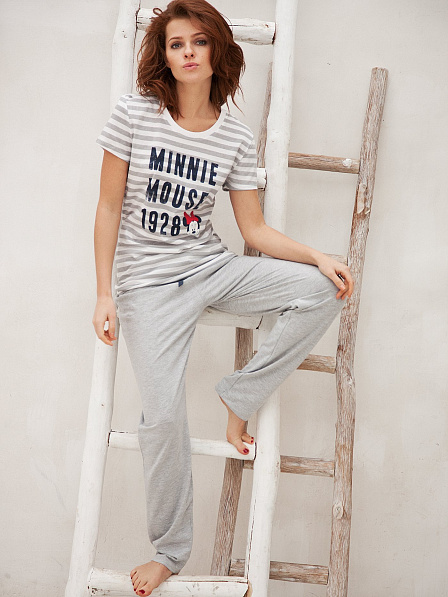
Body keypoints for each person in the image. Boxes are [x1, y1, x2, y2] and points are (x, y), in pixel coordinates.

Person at [92, 0, 354, 594]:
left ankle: (241, 393)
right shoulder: (134, 114)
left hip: (210, 268)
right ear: (163, 55)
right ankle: (170, 551)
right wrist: (104, 292)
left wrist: (317, 256)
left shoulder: (232, 136)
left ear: (217, 50)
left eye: (198, 42)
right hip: (146, 286)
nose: (187, 53)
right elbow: (107, 207)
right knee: (162, 417)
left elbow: (253, 231)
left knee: (323, 290)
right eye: (176, 44)